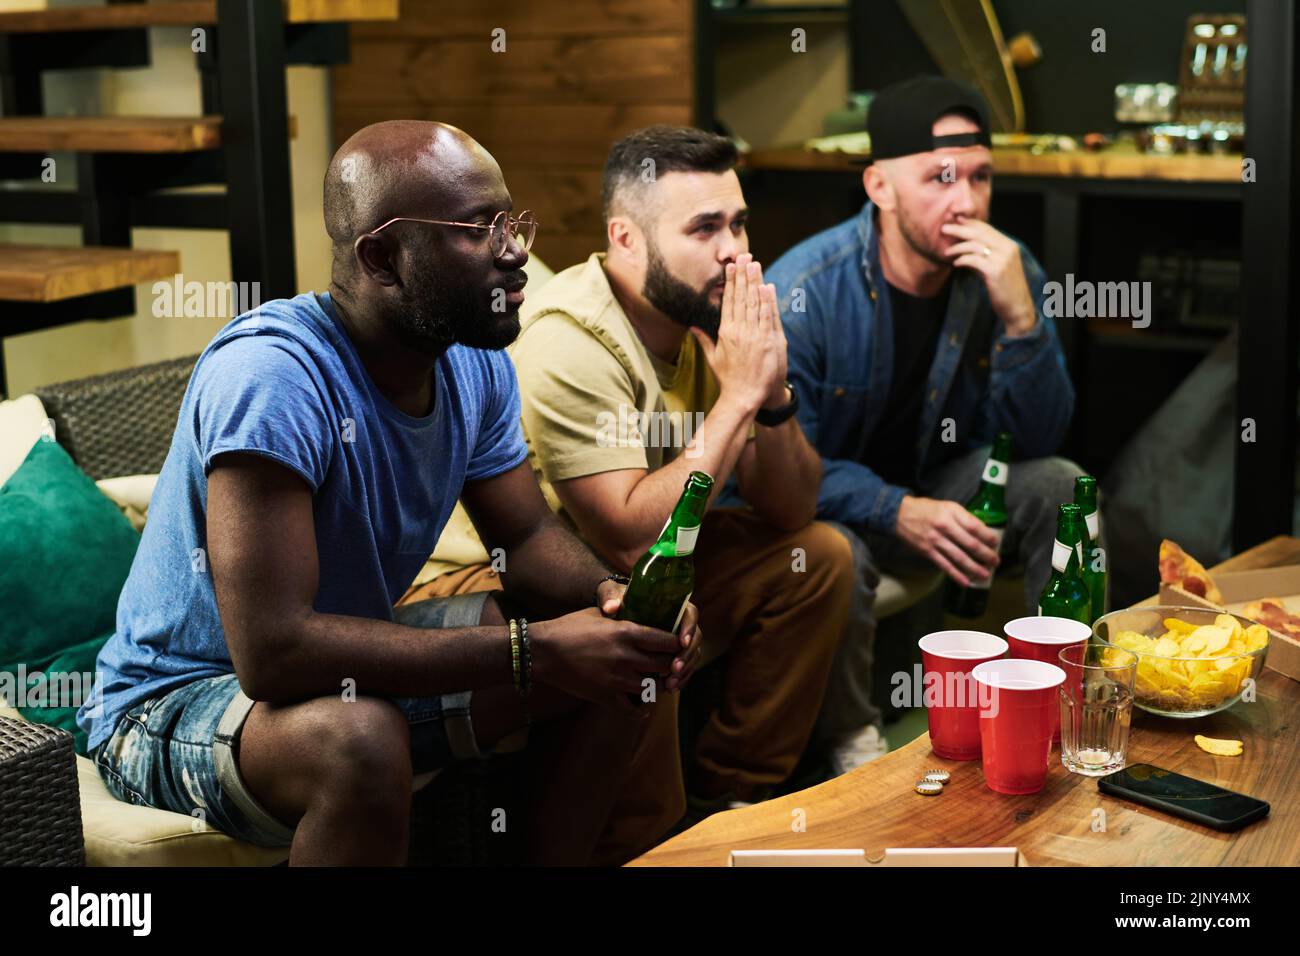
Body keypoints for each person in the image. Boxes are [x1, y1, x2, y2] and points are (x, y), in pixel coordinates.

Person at [75, 121, 702, 866]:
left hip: (331, 677)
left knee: (618, 658)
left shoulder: (474, 363)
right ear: (382, 258)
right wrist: (531, 652)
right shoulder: (274, 377)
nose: (516, 249)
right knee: (360, 737)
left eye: (510, 221)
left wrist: (615, 600)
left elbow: (527, 540)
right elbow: (273, 655)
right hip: (169, 705)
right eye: (478, 228)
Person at [414, 125, 861, 812]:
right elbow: (629, 538)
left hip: (628, 567)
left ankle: (733, 802)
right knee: (645, 616)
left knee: (818, 555)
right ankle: (646, 844)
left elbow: (792, 509)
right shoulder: (570, 340)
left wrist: (769, 400)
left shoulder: (704, 316)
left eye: (739, 224)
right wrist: (737, 396)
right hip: (493, 578)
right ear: (626, 239)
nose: (734, 252)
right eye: (705, 228)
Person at [766, 77, 1087, 737]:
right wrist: (895, 510)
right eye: (941, 178)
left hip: (939, 483)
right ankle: (854, 745)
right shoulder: (804, 291)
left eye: (980, 177)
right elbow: (782, 467)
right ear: (879, 186)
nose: (966, 202)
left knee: (1062, 487)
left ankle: (1065, 705)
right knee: (837, 549)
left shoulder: (1006, 269)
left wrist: (1023, 319)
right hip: (828, 511)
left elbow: (1036, 440)